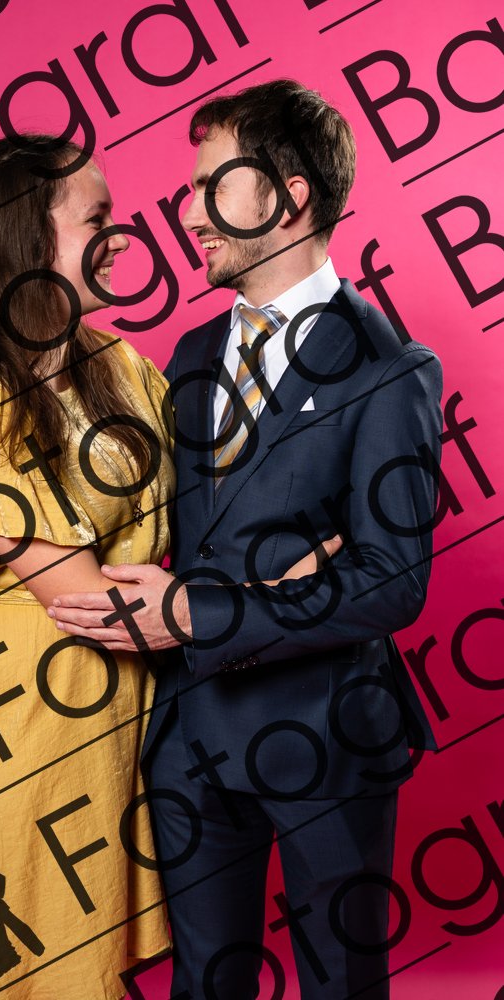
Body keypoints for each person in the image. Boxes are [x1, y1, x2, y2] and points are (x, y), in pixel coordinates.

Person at [49, 80, 443, 999]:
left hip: (328, 734)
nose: (188, 214)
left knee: (339, 984)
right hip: (191, 735)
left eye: (211, 186)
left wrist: (199, 609)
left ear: (289, 195)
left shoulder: (389, 370)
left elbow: (391, 582)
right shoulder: (189, 354)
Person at [0, 134, 178, 1000]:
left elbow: (225, 508)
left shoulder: (122, 365)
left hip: (124, 719)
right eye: (98, 219)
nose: (121, 239)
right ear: (28, 237)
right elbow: (88, 601)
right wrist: (277, 594)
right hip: (27, 718)